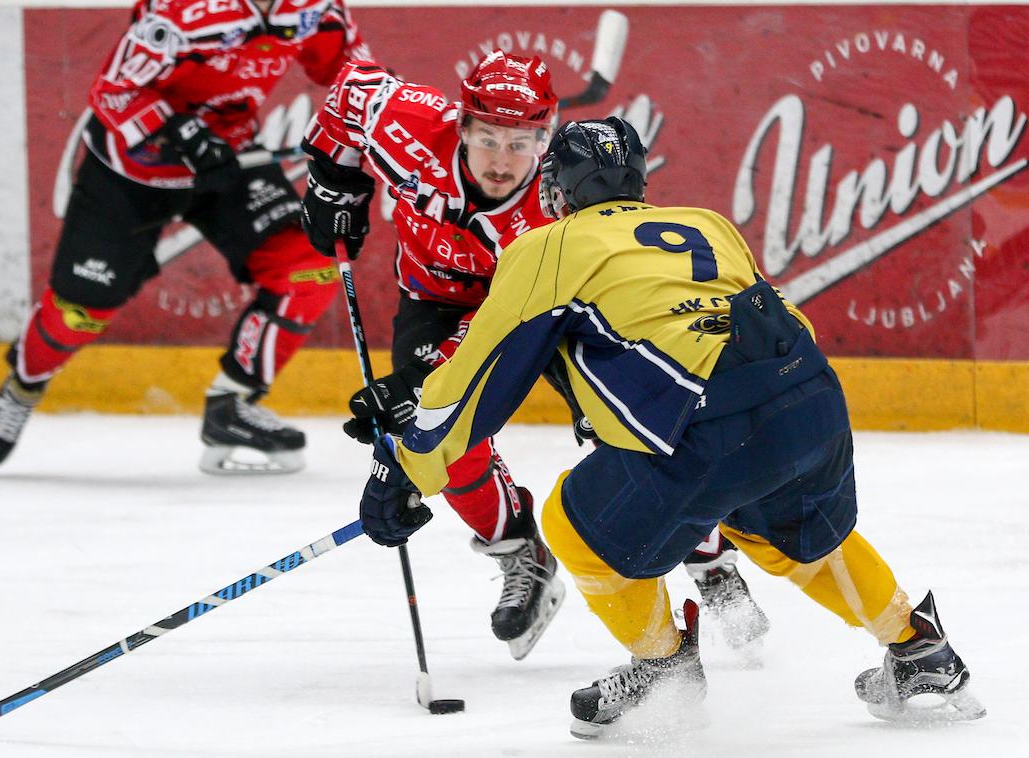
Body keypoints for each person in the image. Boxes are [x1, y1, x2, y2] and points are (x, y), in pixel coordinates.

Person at [356, 117, 984, 736]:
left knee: (571, 525)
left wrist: (408, 468)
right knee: (790, 533)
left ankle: (663, 666)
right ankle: (918, 651)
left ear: (561, 187)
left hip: (706, 427)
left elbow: (477, 380)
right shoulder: (707, 224)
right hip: (810, 397)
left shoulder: (546, 246)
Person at [300, 52, 767, 658]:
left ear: (544, 141)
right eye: (488, 138)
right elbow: (349, 89)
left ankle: (709, 560)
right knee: (442, 436)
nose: (501, 159)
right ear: (461, 126)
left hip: (550, 311)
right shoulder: (407, 124)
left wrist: (426, 376)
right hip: (434, 298)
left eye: (521, 144)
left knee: (632, 432)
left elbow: (503, 332)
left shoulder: (559, 208)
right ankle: (520, 551)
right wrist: (333, 179)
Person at [0, 0, 369, 475]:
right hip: (133, 166)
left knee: (307, 263)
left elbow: (359, 80)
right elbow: (115, 89)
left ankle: (233, 402)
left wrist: (396, 126)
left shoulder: (320, 10)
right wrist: (179, 129)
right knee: (79, 309)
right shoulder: (186, 9)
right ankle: (22, 386)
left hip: (227, 157)